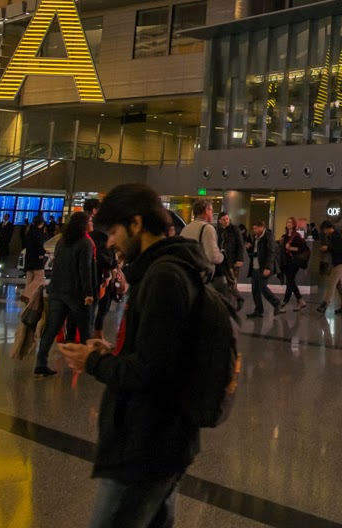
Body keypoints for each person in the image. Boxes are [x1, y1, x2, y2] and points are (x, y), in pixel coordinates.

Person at [56, 184, 207, 528]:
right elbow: (159, 353)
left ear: (136, 224)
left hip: (146, 443)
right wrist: (112, 351)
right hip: (157, 440)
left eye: (112, 232)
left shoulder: (164, 277)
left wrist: (91, 362)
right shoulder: (164, 272)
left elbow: (152, 370)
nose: (109, 242)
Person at [35, 210, 97, 377]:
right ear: (83, 225)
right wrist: (89, 293)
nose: (92, 223)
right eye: (90, 221)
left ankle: (40, 362)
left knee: (51, 328)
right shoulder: (86, 243)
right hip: (75, 293)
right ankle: (89, 363)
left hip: (57, 290)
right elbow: (86, 270)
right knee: (85, 328)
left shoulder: (62, 241)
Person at [87, 200, 121, 341]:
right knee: (97, 305)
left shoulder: (101, 229)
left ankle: (96, 334)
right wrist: (110, 268)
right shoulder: (97, 232)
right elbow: (103, 254)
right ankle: (91, 335)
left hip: (100, 274)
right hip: (98, 275)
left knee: (102, 306)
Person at [315, 220, 342, 314]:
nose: (324, 232)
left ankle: (325, 304)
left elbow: (340, 249)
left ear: (328, 228)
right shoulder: (334, 235)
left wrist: (328, 248)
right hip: (338, 262)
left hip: (340, 262)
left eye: (324, 230)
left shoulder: (337, 236)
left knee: (332, 283)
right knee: (340, 285)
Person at [181, 199, 224, 281]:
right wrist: (222, 256)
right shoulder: (207, 228)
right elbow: (213, 256)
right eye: (211, 210)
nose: (212, 213)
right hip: (202, 276)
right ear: (207, 210)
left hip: (187, 274)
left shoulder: (186, 228)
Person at [247, 220, 282, 318]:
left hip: (263, 267)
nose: (254, 230)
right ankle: (258, 310)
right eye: (253, 228)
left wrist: (268, 268)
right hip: (255, 267)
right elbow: (256, 252)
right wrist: (249, 248)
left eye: (256, 228)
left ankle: (276, 303)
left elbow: (271, 253)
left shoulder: (268, 236)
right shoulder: (256, 237)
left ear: (262, 227)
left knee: (263, 287)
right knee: (255, 290)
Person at [216, 212, 244, 309]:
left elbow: (240, 245)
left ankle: (234, 302)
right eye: (223, 219)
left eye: (227, 219)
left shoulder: (235, 230)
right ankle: (227, 304)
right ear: (219, 221)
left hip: (232, 261)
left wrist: (240, 259)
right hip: (220, 261)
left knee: (232, 282)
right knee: (222, 282)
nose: (226, 221)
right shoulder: (217, 231)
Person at [278, 217, 308, 310]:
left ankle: (285, 302)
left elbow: (303, 248)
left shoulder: (296, 236)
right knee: (291, 281)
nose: (289, 223)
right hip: (286, 261)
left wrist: (290, 248)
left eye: (290, 222)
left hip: (294, 261)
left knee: (289, 280)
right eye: (287, 222)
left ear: (294, 224)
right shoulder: (285, 236)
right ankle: (300, 300)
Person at [23, 215, 48, 299]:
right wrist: (42, 253)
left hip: (29, 258)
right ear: (41, 223)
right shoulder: (38, 233)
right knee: (39, 278)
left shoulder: (29, 232)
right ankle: (26, 295)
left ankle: (29, 301)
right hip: (37, 259)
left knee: (29, 279)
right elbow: (39, 245)